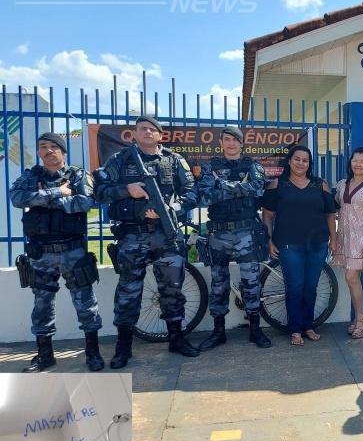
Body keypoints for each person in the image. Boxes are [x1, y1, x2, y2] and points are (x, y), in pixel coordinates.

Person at [94, 114, 198, 368]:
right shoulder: (120, 159)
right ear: (135, 134)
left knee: (172, 288)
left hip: (166, 233)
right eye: (143, 129)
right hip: (133, 235)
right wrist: (127, 190)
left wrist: (172, 207)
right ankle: (123, 347)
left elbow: (191, 191)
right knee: (129, 292)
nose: (148, 133)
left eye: (153, 129)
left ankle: (176, 338)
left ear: (160, 135)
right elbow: (100, 191)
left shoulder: (174, 160)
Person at [11, 132, 104, 372]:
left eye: (54, 147)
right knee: (42, 304)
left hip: (73, 250)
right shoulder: (31, 176)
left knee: (86, 304)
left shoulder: (78, 175)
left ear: (63, 151)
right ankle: (44, 355)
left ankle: (92, 353)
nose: (49, 151)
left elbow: (85, 202)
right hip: (41, 253)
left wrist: (40, 199)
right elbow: (17, 198)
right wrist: (57, 194)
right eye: (43, 147)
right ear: (40, 152)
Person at [193, 126, 272, 351]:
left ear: (242, 143)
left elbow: (257, 190)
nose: (231, 144)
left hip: (245, 232)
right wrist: (240, 188)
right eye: (227, 139)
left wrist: (223, 187)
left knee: (251, 282)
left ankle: (255, 330)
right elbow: (206, 195)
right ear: (221, 143)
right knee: (219, 284)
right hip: (218, 234)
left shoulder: (253, 166)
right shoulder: (210, 166)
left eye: (235, 140)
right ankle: (218, 332)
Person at [261, 145, 337, 346]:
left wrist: (334, 240)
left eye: (305, 160)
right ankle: (295, 329)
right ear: (289, 160)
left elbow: (330, 214)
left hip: (317, 244)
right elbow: (267, 215)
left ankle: (308, 326)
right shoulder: (278, 185)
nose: (301, 163)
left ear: (310, 164)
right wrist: (269, 240)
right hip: (288, 245)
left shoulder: (321, 185)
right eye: (297, 159)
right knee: (294, 287)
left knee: (310, 288)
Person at [332, 148, 363, 339]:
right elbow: (336, 207)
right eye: (355, 160)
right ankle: (357, 318)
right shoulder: (342, 184)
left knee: (351, 277)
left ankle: (361, 318)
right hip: (344, 236)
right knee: (352, 278)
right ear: (350, 162)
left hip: (361, 239)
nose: (358, 164)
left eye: (362, 161)